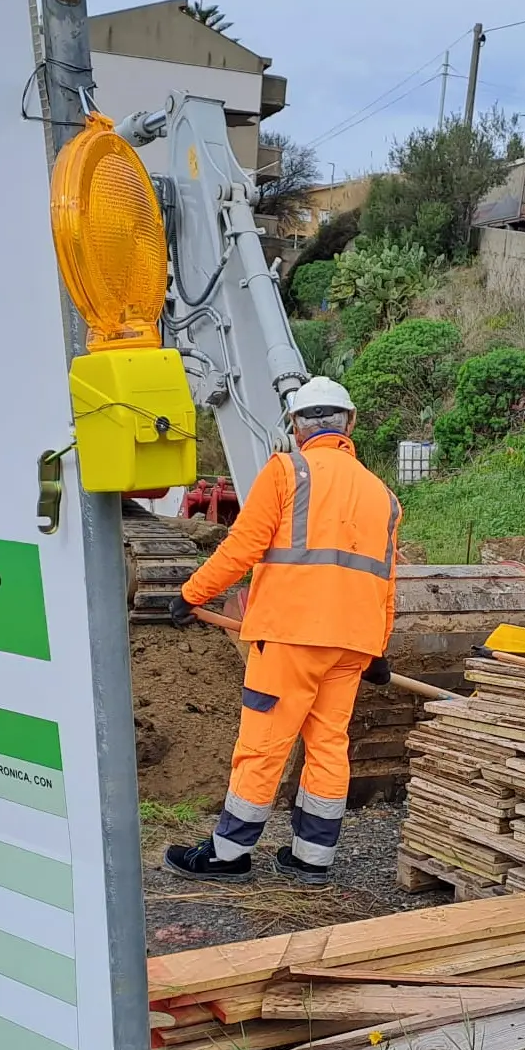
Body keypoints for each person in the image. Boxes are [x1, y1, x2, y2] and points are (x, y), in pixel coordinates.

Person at [164, 377, 399, 886]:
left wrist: (190, 595)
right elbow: (386, 580)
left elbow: (241, 548)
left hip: (291, 635)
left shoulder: (286, 471)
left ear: (295, 425)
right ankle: (312, 857)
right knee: (328, 744)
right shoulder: (383, 495)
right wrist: (379, 648)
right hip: (352, 643)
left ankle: (228, 854)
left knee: (264, 743)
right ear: (350, 424)